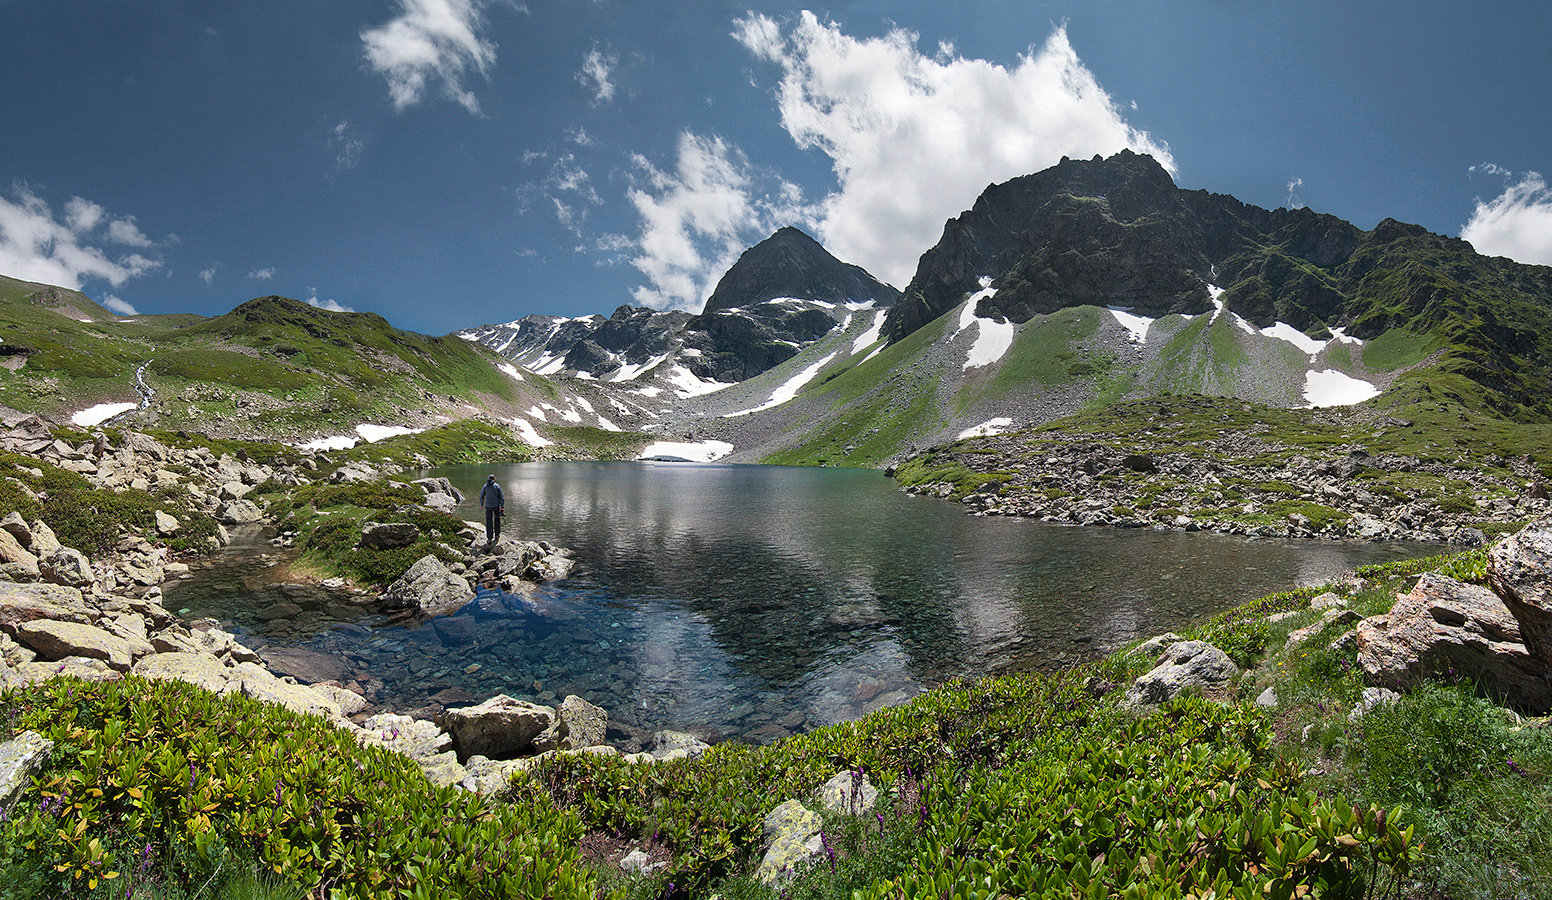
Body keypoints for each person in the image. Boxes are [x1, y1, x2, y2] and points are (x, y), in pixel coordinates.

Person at [479, 474, 504, 545]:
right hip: (496, 506)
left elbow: (481, 496)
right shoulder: (497, 486)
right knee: (497, 520)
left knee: (488, 521)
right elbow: (501, 497)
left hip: (488, 507)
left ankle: (489, 538)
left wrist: (481, 504)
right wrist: (502, 507)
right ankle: (497, 535)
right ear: (494, 479)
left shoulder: (485, 486)